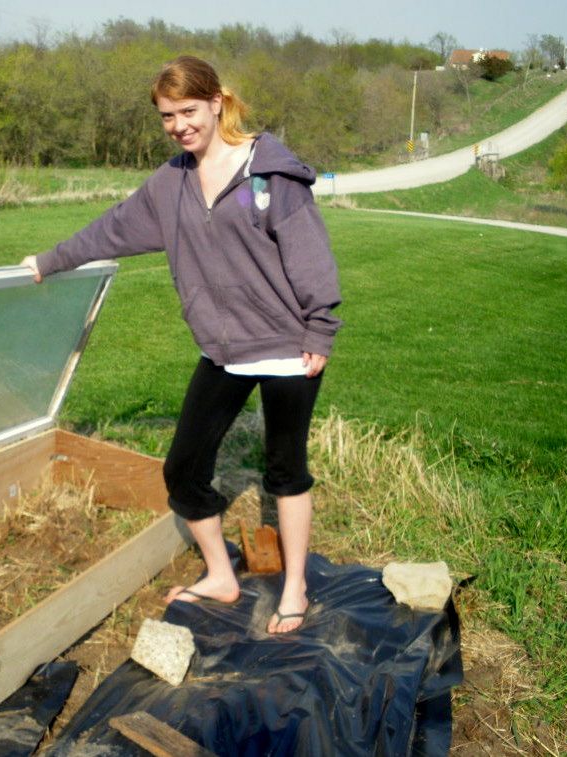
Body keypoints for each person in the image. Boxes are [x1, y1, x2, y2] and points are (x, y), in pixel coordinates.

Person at [21, 55, 341, 634]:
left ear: (218, 101)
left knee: (285, 470)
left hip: (288, 347)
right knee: (183, 470)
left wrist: (321, 329)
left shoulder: (270, 177)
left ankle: (294, 586)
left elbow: (311, 257)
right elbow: (111, 229)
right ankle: (221, 574)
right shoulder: (171, 184)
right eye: (168, 116)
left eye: (188, 111)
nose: (179, 126)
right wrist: (49, 261)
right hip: (223, 351)